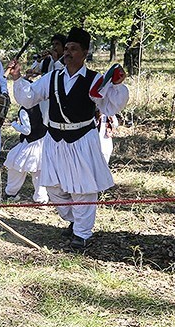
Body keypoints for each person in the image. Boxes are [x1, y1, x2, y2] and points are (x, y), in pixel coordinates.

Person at [8, 27, 129, 249]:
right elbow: (30, 97)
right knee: (54, 187)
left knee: (83, 188)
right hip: (54, 139)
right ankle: (75, 221)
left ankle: (82, 234)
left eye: (73, 49)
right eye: (66, 48)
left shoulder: (95, 80)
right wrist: (17, 78)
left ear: (85, 52)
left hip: (82, 138)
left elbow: (111, 105)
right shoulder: (52, 77)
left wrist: (118, 85)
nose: (68, 52)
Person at [3, 103, 49, 203]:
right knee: (39, 171)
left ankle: (11, 192)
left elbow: (27, 130)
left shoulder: (25, 110)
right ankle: (41, 198)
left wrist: (14, 125)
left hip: (31, 143)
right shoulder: (43, 104)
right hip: (43, 140)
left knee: (16, 166)